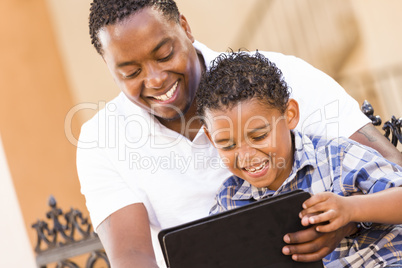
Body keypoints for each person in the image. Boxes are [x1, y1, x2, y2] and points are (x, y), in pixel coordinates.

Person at [77, 0, 402, 267]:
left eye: (164, 55)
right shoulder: (100, 141)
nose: (156, 79)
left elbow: (391, 169)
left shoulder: (281, 77)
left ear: (185, 28)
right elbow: (132, 258)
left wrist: (348, 217)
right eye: (131, 72)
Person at [196, 50, 402, 267]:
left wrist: (351, 209)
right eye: (228, 145)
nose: (246, 155)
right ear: (210, 137)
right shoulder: (228, 202)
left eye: (259, 136)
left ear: (290, 115)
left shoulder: (338, 157)